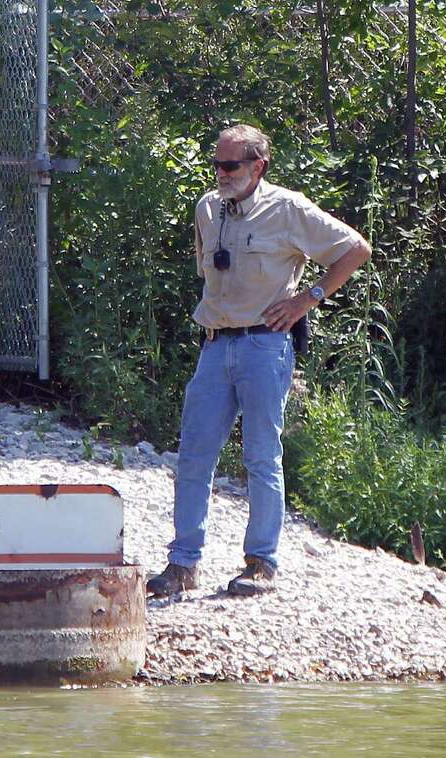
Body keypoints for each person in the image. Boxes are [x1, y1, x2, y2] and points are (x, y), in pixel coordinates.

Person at [147, 124, 371, 598]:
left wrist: (307, 299)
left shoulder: (288, 209)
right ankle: (183, 563)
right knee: (194, 456)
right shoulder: (207, 208)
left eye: (230, 165)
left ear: (258, 166)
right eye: (216, 164)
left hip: (265, 346)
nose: (221, 174)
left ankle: (261, 563)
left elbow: (356, 249)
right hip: (215, 345)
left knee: (261, 456)